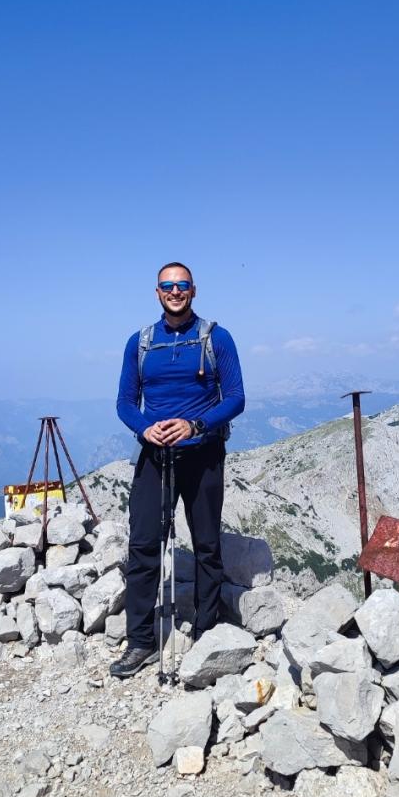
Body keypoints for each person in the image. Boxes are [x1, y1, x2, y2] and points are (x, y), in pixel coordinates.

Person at [111, 261, 246, 678]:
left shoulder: (216, 338)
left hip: (204, 452)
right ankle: (140, 642)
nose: (175, 291)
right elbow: (125, 403)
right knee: (143, 545)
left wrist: (195, 425)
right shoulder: (139, 343)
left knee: (206, 545)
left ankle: (206, 634)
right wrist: (145, 428)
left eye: (182, 284)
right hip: (155, 454)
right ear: (157, 292)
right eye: (167, 286)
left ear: (193, 290)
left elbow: (236, 398)